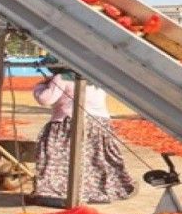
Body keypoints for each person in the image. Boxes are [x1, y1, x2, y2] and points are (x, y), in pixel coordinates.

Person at [32, 68, 136, 204]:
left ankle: (56, 192)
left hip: (70, 122)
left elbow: (45, 99)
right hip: (98, 124)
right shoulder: (96, 77)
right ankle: (95, 191)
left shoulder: (62, 78)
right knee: (95, 159)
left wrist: (40, 86)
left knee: (59, 158)